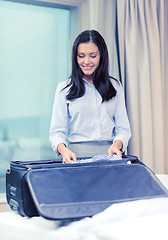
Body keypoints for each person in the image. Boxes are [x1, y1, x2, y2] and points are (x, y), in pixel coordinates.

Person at [49, 30, 131, 163]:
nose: (86, 61)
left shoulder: (115, 86)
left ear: (102, 56)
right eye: (81, 56)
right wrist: (64, 150)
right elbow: (56, 132)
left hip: (110, 158)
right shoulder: (64, 89)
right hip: (77, 159)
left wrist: (117, 145)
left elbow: (123, 128)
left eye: (93, 56)